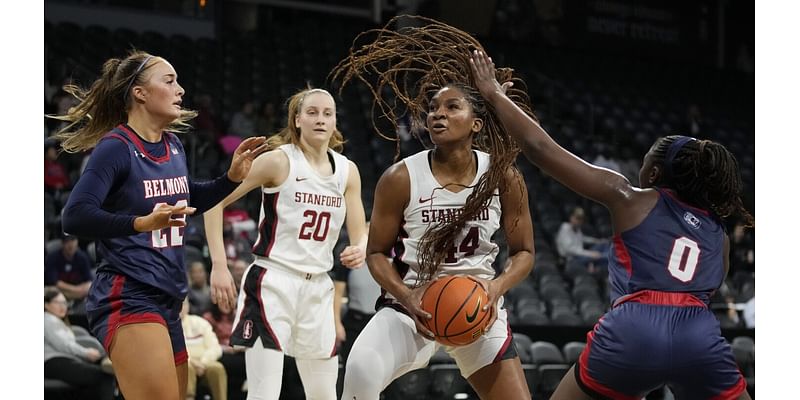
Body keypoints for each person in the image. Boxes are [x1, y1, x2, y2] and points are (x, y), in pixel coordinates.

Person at [469, 49, 754, 399]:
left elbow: (539, 147)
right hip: (697, 335)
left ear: (652, 172)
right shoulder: (719, 235)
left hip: (633, 329)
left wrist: (492, 92)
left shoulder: (629, 197)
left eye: (646, 157)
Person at [330, 17, 536, 399]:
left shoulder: (503, 177)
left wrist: (494, 288)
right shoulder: (400, 177)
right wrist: (407, 298)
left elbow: (523, 252)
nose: (437, 113)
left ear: (476, 124)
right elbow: (375, 253)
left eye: (451, 106)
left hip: (477, 307)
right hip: (410, 306)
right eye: (433, 107)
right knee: (358, 372)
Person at [52, 50, 267, 400]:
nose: (180, 90)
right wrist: (140, 222)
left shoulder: (174, 145)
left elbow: (189, 196)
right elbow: (74, 215)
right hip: (129, 294)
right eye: (169, 81)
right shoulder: (116, 147)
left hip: (168, 298)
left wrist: (229, 179)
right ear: (139, 92)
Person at [204, 87, 368, 400]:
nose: (320, 119)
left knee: (324, 394)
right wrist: (220, 264)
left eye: (327, 113)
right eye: (312, 112)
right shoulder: (278, 161)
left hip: (319, 286)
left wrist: (359, 246)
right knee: (265, 393)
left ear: (335, 122)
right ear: (296, 120)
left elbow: (359, 230)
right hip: (272, 282)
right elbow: (214, 201)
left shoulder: (348, 171)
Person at [44, 286, 116, 400]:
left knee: (103, 372)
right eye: (57, 303)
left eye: (64, 302)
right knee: (104, 376)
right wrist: (87, 353)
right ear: (46, 305)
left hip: (63, 360)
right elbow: (64, 345)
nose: (63, 306)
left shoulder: (55, 321)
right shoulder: (47, 320)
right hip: (53, 362)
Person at [331, 222, 381, 362]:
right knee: (352, 366)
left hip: (378, 321)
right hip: (355, 322)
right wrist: (336, 323)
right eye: (368, 228)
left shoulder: (386, 258)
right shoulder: (350, 258)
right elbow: (337, 293)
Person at [181, 298, 227, 400]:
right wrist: (191, 361)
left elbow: (215, 347)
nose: (181, 308)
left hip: (204, 361)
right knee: (186, 368)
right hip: (184, 362)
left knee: (217, 368)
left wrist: (203, 362)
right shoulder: (169, 326)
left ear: (188, 306)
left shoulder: (200, 322)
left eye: (184, 304)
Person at [44, 234, 93, 312]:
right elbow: (55, 283)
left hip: (75, 291)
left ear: (77, 242)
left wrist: (79, 290)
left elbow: (89, 281)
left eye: (73, 240)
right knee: (51, 290)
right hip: (61, 292)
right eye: (67, 241)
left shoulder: (82, 257)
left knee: (91, 287)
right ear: (62, 243)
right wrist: (77, 290)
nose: (71, 245)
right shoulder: (52, 257)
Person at [555, 206, 609, 273]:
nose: (579, 221)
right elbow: (571, 250)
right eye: (577, 218)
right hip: (572, 259)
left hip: (581, 255)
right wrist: (590, 254)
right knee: (603, 256)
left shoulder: (577, 229)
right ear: (571, 218)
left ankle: (593, 264)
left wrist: (597, 241)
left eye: (581, 219)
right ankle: (598, 263)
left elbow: (583, 238)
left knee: (604, 244)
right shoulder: (565, 229)